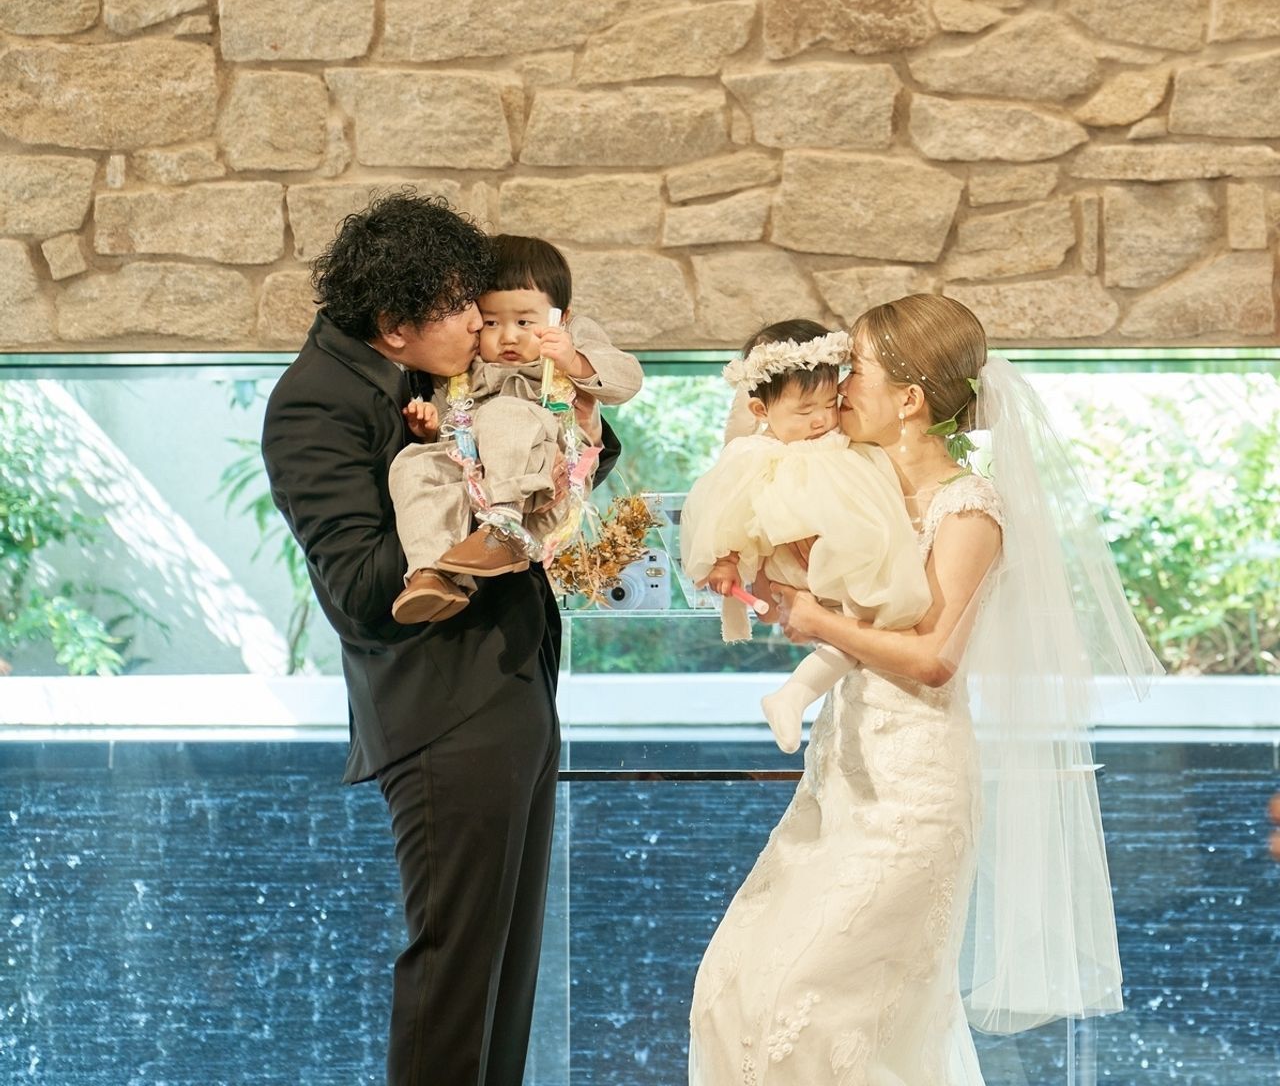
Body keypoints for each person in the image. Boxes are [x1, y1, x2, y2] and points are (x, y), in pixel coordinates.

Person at [688, 294, 1160, 1084]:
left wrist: (818, 618)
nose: (838, 387)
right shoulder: (858, 492)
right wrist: (757, 580)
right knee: (732, 985)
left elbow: (935, 656)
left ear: (908, 399)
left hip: (913, 793)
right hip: (841, 771)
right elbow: (807, 600)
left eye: (856, 370)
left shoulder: (968, 508)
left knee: (809, 1007)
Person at [261, 191, 618, 1086]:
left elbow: (576, 457)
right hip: (444, 713)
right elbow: (359, 593)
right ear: (394, 326)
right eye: (460, 307)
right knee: (456, 968)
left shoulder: (439, 372)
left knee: (505, 966)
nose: (477, 322)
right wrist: (474, 507)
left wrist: (547, 429)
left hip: (512, 687)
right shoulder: (316, 404)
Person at [679, 319, 931, 753]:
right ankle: (792, 695)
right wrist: (726, 561)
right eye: (803, 410)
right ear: (761, 411)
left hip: (843, 561)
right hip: (788, 568)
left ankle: (793, 696)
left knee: (865, 623)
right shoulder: (754, 454)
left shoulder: (842, 444)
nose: (820, 419)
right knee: (850, 623)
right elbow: (729, 509)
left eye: (830, 403)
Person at [390, 234, 642, 625]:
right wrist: (429, 431)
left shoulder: (570, 340)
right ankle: (431, 573)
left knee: (505, 413)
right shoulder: (465, 362)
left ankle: (505, 528)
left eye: (524, 322)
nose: (508, 336)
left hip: (544, 488)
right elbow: (453, 428)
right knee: (413, 463)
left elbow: (628, 379)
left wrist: (575, 360)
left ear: (561, 317)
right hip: (477, 481)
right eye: (491, 322)